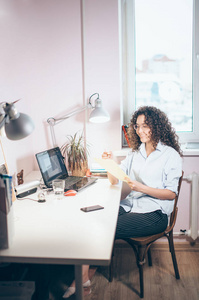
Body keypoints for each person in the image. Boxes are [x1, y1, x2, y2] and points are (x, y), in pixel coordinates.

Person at [62, 105, 182, 298]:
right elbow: (115, 180)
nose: (140, 130)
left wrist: (140, 187)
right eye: (137, 126)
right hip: (131, 206)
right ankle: (85, 277)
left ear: (157, 126)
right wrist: (110, 165)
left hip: (155, 213)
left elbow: (171, 194)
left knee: (103, 229)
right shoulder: (135, 153)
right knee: (91, 221)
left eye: (145, 126)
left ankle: (82, 281)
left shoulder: (170, 155)